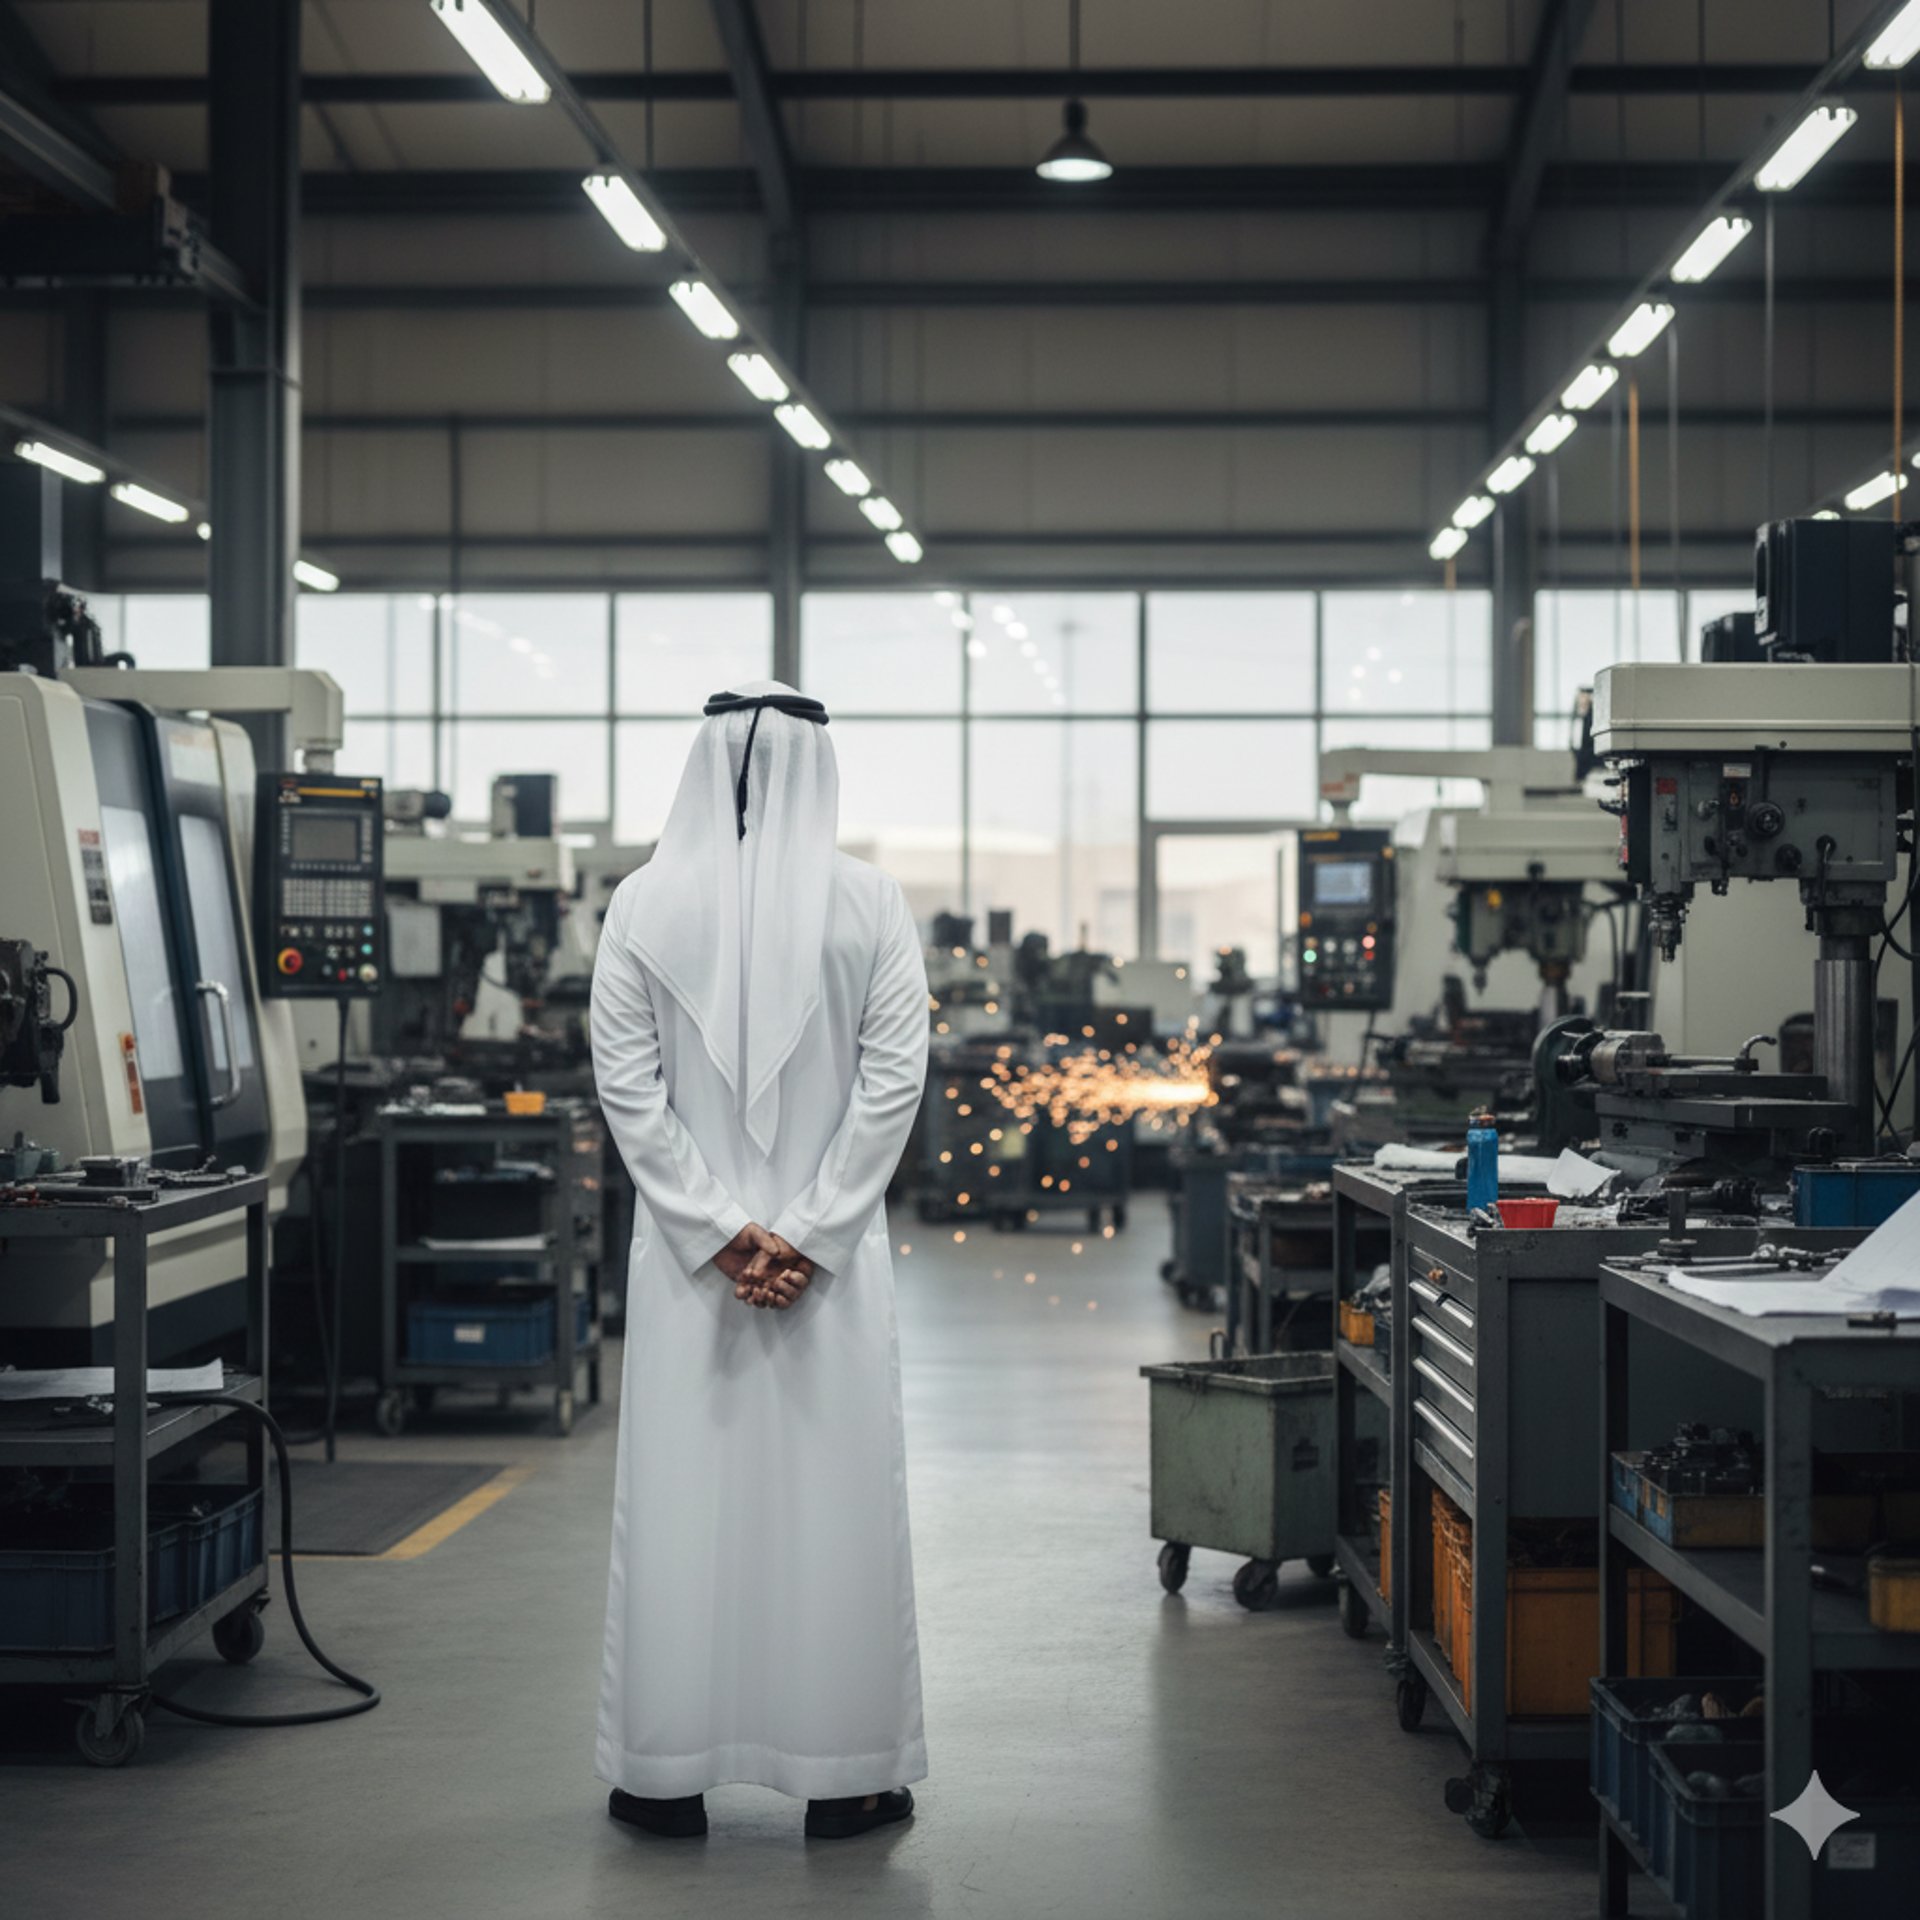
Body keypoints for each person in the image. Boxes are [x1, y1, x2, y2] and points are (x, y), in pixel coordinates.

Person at [588, 680, 930, 1842]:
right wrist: (810, 1234)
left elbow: (627, 1094)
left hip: (695, 1281)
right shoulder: (872, 904)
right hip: (826, 1284)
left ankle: (660, 1772)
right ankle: (847, 1780)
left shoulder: (640, 906)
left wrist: (720, 1235)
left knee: (682, 1511)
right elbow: (893, 1088)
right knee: (835, 1517)